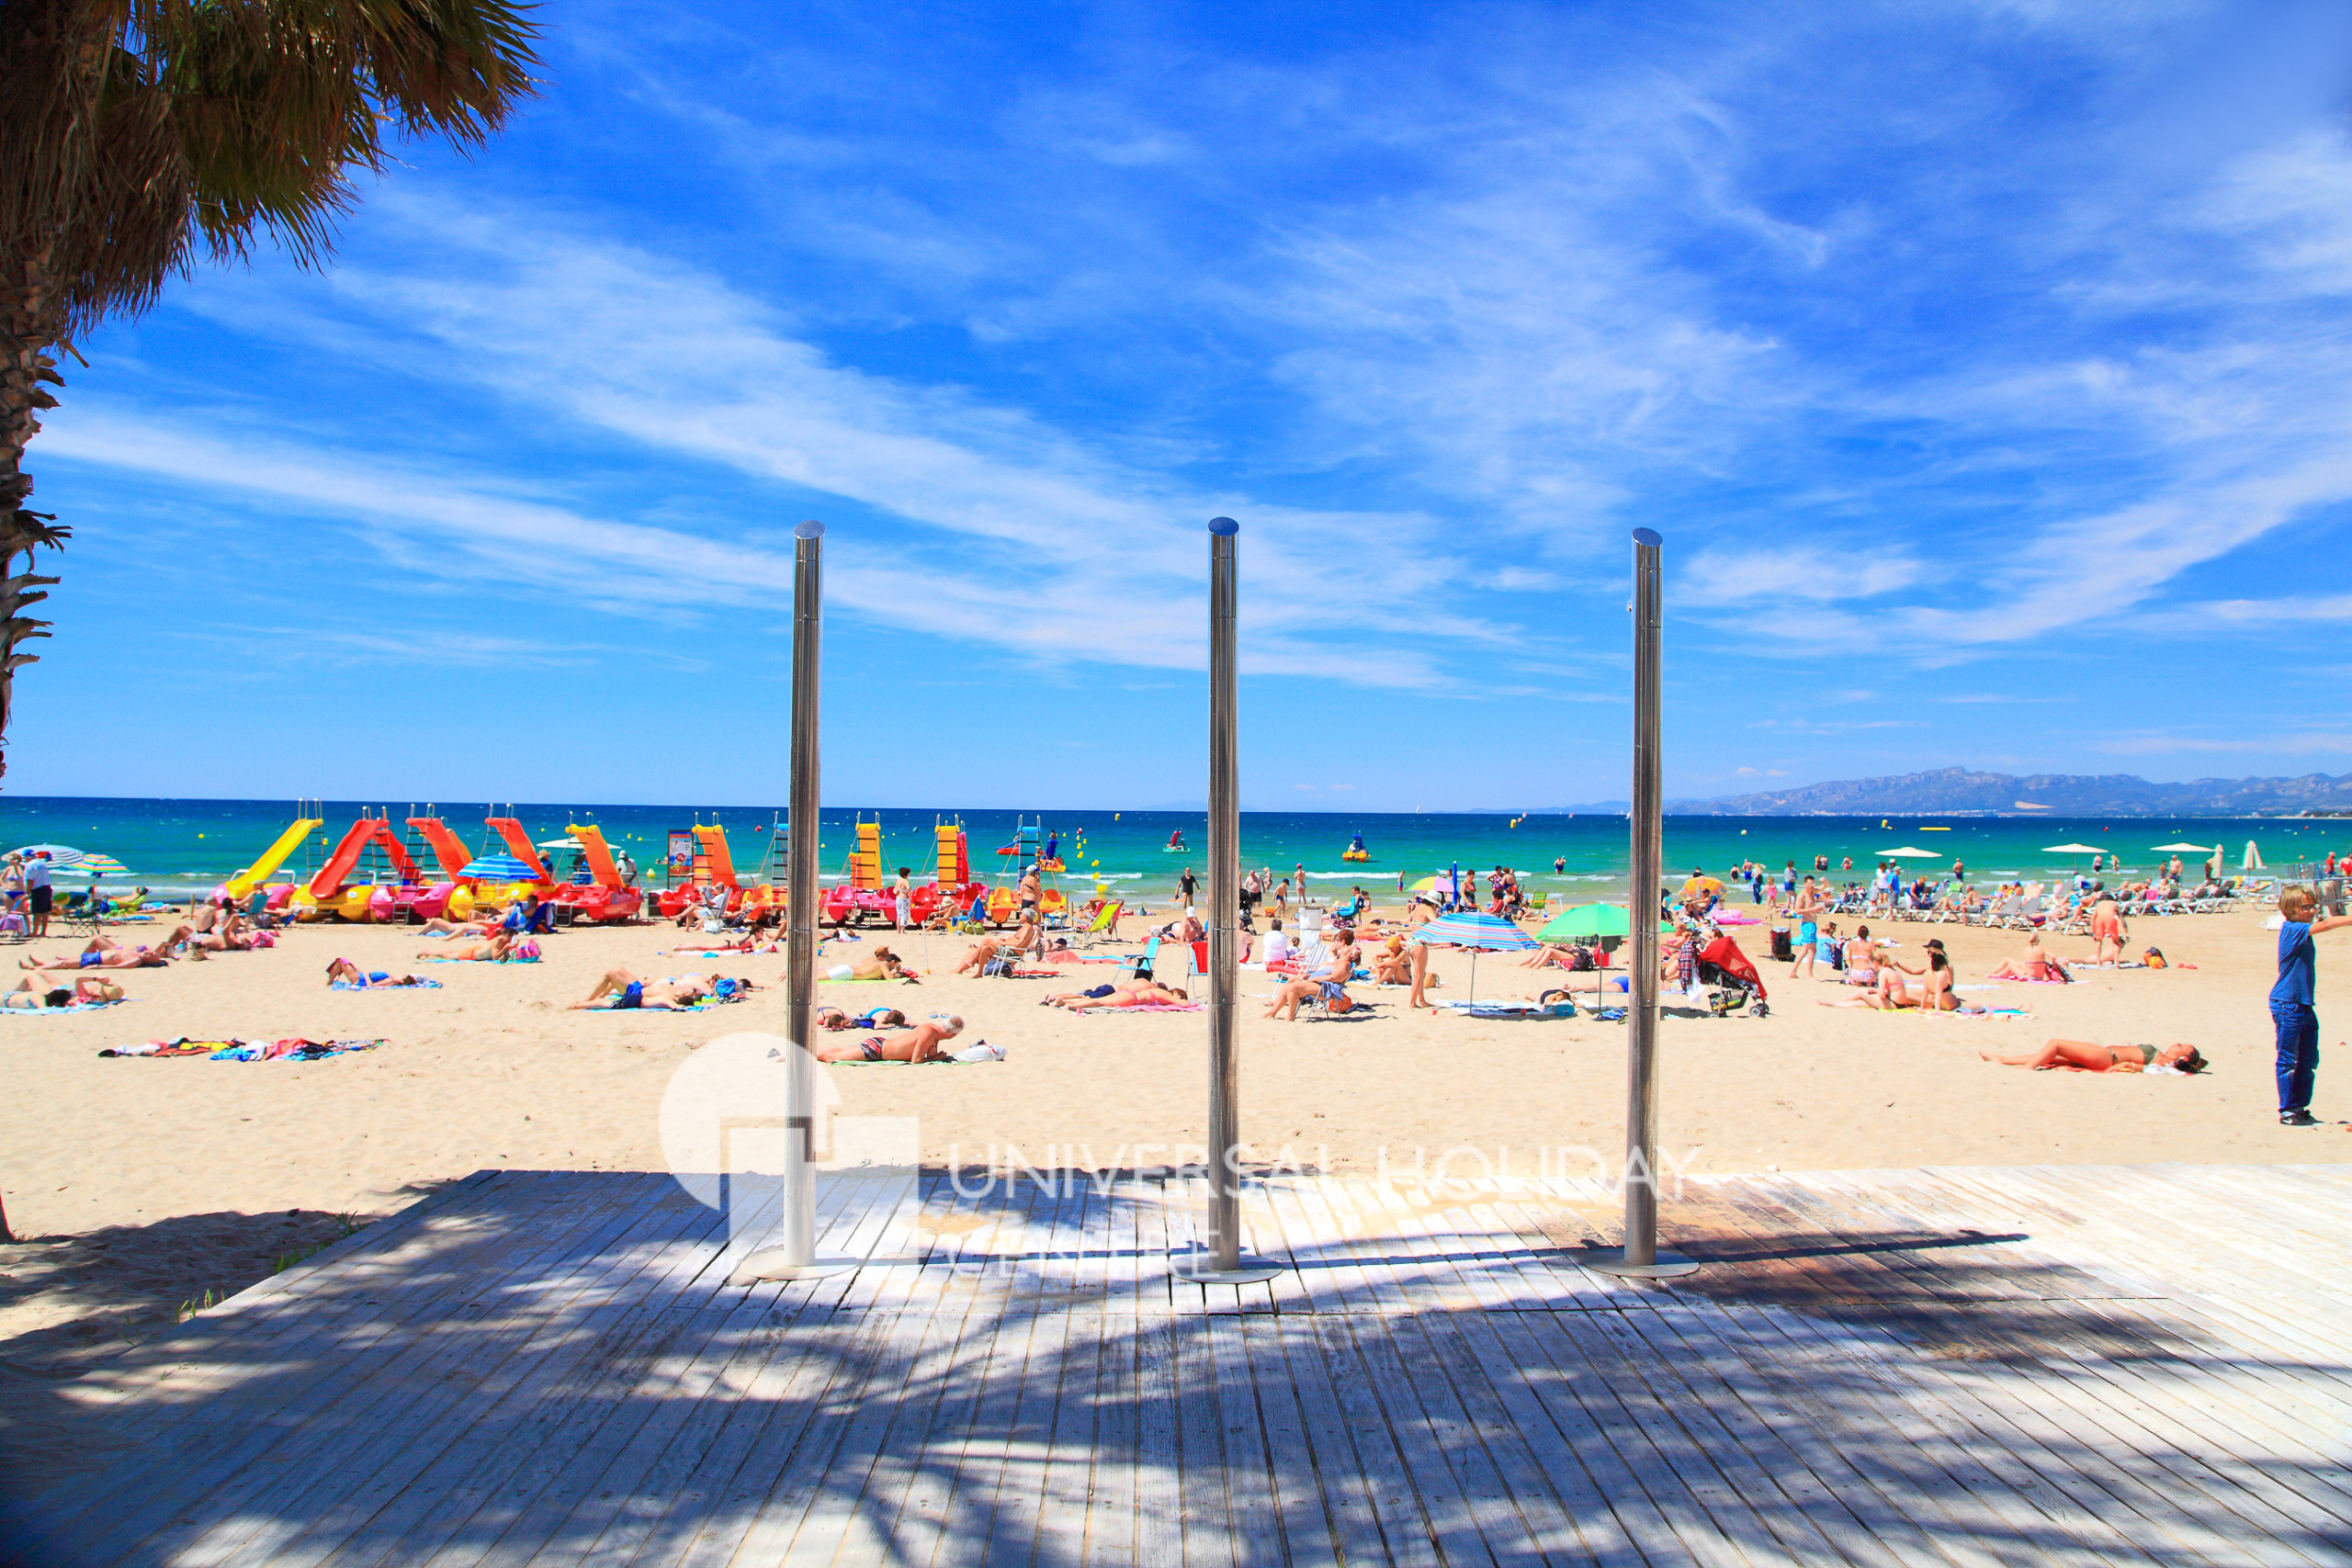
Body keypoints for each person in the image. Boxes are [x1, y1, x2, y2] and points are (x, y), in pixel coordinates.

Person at [2273, 886, 2352, 1126]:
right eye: (2304, 907)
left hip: (2304, 1004)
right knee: (2287, 1060)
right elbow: (2327, 924)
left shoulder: (2302, 931)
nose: (2311, 911)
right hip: (2288, 1004)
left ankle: (2299, 1108)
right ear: (2290, 909)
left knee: (2308, 1060)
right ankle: (2288, 1111)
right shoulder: (2292, 929)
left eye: (2313, 906)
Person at [1266, 930, 1358, 1021]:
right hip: (1318, 982)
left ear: (1350, 955)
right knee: (1289, 984)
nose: (1345, 947)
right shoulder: (1338, 961)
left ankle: (1290, 1016)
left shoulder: (1345, 964)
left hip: (1326, 987)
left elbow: (1334, 978)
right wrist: (1310, 976)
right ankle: (1272, 1012)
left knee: (1293, 987)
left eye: (1347, 948)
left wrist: (1314, 979)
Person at [1982, 1039, 2206, 1074]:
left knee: (2055, 1045)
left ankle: (2027, 1069)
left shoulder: (2164, 1064)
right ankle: (2003, 1059)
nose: (2177, 1043)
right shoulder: (2162, 1058)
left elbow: (2140, 1068)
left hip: (2108, 1057)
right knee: (2050, 1056)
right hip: (2105, 1056)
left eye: (2182, 1046)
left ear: (2184, 1058)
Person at [813, 1015, 965, 1063]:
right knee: (831, 1057)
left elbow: (928, 1052)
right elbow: (916, 1060)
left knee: (837, 1052)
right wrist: (936, 1058)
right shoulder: (929, 1034)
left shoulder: (932, 1030)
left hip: (879, 1045)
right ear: (952, 1035)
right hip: (876, 1051)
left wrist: (934, 1055)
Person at [19, 931, 184, 969]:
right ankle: (41, 964)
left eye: (152, 955)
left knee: (65, 964)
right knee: (67, 962)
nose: (150, 952)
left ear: (149, 960)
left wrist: (97, 967)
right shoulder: (139, 954)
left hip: (97, 960)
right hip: (98, 956)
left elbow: (118, 967)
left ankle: (36, 967)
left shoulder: (136, 959)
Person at [571, 968, 710, 1010]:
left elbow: (648, 1000)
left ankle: (590, 999)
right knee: (619, 969)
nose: (691, 988)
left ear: (686, 994)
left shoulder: (672, 996)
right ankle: (602, 995)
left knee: (609, 974)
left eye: (693, 990)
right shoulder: (674, 988)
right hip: (639, 987)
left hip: (634, 992)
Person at [2, 976, 121, 1009]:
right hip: (55, 992)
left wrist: (96, 979)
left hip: (49, 993)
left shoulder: (86, 995)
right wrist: (100, 980)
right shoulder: (93, 993)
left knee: (30, 976)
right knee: (35, 974)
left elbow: (78, 980)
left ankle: (15, 994)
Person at [1788, 877, 1824, 980]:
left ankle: (1793, 971)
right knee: (1812, 950)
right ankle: (1809, 975)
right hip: (1807, 924)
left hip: (1811, 924)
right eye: (1810, 884)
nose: (1812, 885)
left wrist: (1824, 882)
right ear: (1805, 884)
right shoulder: (1802, 895)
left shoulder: (1812, 892)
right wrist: (1814, 909)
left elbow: (1824, 887)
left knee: (1805, 950)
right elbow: (1797, 911)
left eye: (1813, 883)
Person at [326, 957, 431, 987]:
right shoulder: (391, 978)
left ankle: (328, 983)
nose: (400, 974)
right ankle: (329, 982)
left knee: (341, 961)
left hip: (359, 980)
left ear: (402, 980)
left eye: (402, 975)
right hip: (360, 976)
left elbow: (371, 986)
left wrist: (366, 975)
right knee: (342, 961)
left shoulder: (391, 981)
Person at [2088, 891, 2128, 964]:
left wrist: (2093, 931)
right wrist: (2126, 932)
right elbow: (2121, 919)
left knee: (2099, 941)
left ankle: (2098, 962)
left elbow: (2093, 918)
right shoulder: (2115, 904)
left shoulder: (2099, 904)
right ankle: (2116, 962)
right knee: (2115, 941)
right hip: (2110, 917)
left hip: (2099, 918)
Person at [424, 931, 514, 963]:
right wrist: (506, 948)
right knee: (449, 956)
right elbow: (495, 957)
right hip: (473, 954)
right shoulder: (498, 941)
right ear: (506, 935)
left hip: (476, 951)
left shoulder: (503, 941)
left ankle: (430, 951)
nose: (511, 939)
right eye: (510, 937)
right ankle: (427, 952)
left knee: (452, 953)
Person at [26, 850, 52, 938]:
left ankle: (34, 932)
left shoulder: (29, 865)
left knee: (36, 912)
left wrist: (27, 893)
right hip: (47, 888)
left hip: (38, 889)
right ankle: (43, 932)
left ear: (27, 857)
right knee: (45, 912)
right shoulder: (42, 863)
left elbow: (30, 881)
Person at [893, 867, 913, 932]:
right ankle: (903, 930)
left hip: (898, 898)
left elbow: (895, 890)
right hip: (904, 899)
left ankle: (898, 930)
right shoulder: (905, 881)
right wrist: (909, 894)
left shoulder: (899, 880)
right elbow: (908, 887)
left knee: (899, 915)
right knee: (904, 914)